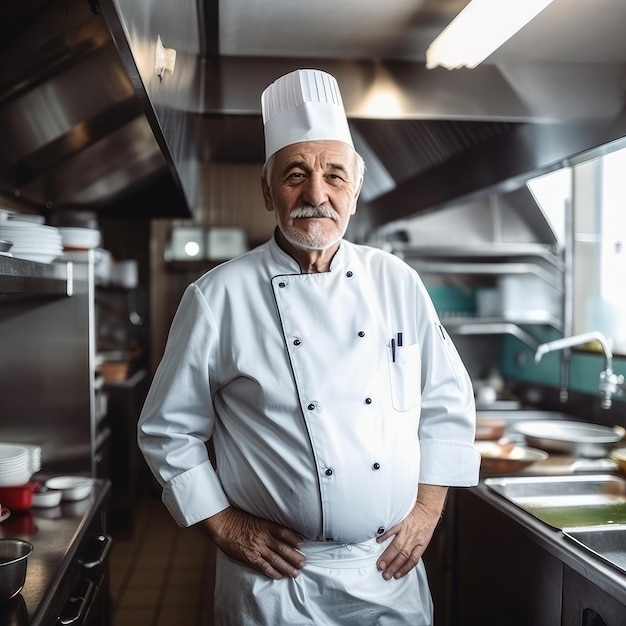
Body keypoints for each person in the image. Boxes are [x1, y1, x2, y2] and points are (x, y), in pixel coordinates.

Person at [138, 68, 480, 625]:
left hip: (386, 573)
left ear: (355, 189)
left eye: (334, 176)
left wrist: (427, 509)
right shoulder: (217, 296)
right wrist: (223, 524)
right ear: (268, 190)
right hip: (274, 586)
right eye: (296, 175)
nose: (316, 195)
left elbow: (446, 402)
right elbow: (167, 430)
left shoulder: (397, 281)